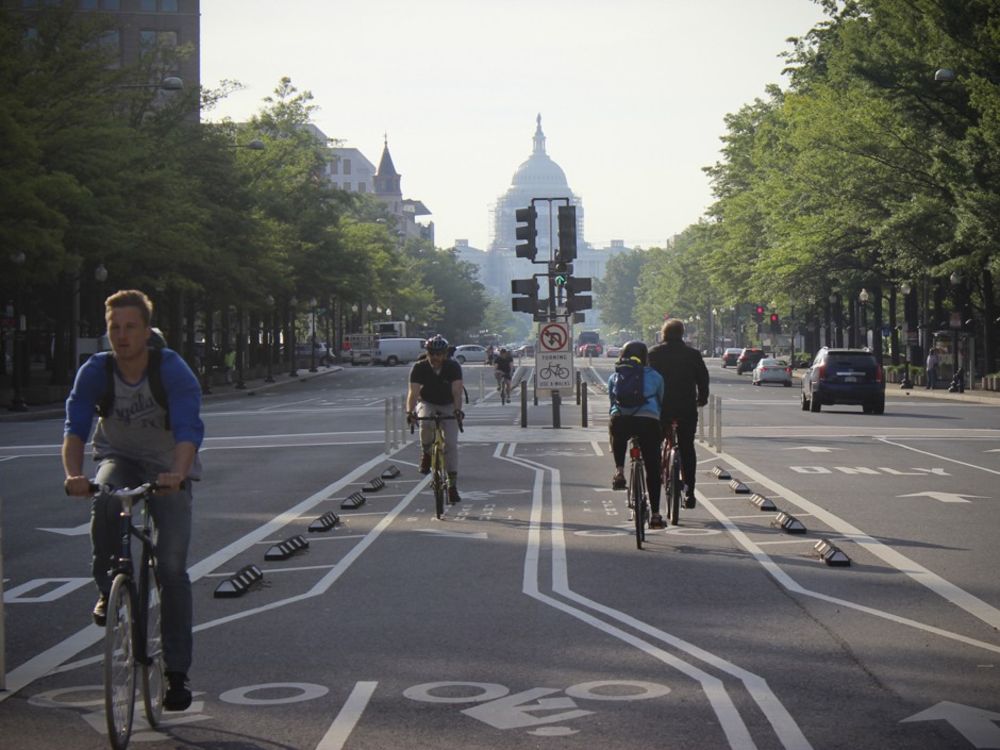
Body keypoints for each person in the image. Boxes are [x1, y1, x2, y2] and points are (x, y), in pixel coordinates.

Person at [62, 289, 204, 712]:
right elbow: (75, 426)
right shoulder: (96, 371)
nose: (121, 336)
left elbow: (188, 429)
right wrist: (73, 475)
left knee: (173, 566)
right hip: (119, 457)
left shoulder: (171, 369)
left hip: (166, 465)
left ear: (146, 331)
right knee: (105, 500)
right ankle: (110, 587)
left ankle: (176, 673)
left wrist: (177, 474)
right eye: (114, 328)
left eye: (129, 327)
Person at [648, 318, 709, 510]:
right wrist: (702, 398)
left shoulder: (653, 353)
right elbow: (703, 379)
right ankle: (690, 490)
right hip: (686, 407)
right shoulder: (692, 354)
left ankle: (657, 478)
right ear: (682, 334)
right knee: (687, 447)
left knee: (654, 446)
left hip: (660, 408)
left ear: (663, 334)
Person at [608, 341, 666, 528]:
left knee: (616, 428)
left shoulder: (616, 376)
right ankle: (656, 514)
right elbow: (660, 400)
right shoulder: (655, 376)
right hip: (648, 421)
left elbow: (612, 402)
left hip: (622, 420)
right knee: (652, 467)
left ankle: (619, 471)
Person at [406, 335, 465, 503]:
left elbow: (457, 392)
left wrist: (457, 411)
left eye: (439, 354)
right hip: (428, 401)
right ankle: (426, 452)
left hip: (448, 404)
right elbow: (413, 393)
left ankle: (452, 485)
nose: (436, 358)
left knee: (451, 445)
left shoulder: (453, 367)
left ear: (445, 354)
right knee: (425, 423)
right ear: (427, 353)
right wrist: (409, 412)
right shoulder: (419, 367)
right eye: (432, 354)